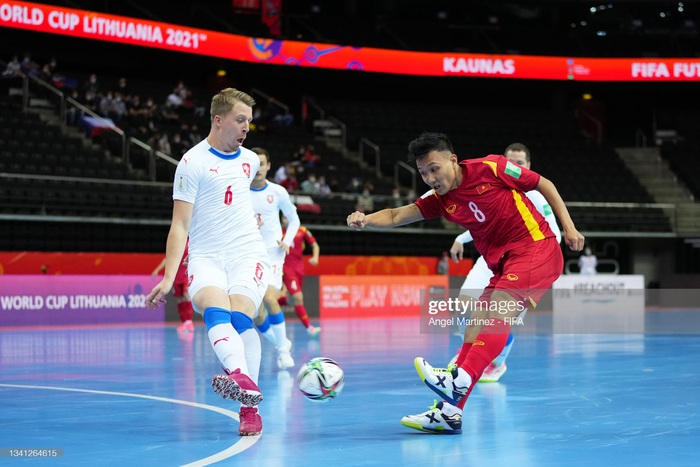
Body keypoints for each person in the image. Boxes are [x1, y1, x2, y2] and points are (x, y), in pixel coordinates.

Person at [346, 132, 584, 435]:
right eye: (423, 173)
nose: (431, 177)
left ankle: (460, 378)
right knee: (474, 326)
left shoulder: (492, 167)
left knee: (497, 317)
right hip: (502, 263)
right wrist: (365, 219)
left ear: (453, 161)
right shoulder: (440, 200)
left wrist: (569, 227)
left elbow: (543, 184)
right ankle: (450, 412)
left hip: (536, 248)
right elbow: (396, 214)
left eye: (435, 168)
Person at [146, 88, 269, 437]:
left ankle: (248, 406)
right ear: (218, 119)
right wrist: (170, 278)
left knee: (241, 317)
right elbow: (180, 224)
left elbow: (236, 200)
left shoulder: (250, 161)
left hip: (247, 252)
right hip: (206, 255)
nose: (246, 127)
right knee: (216, 311)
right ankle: (243, 379)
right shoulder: (192, 163)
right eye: (240, 120)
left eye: (249, 121)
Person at [447, 142, 562, 383]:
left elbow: (554, 233)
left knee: (497, 316)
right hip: (490, 256)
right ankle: (470, 357)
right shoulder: (494, 183)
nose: (513, 166)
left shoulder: (534, 194)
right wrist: (460, 238)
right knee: (463, 308)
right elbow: (480, 220)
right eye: (509, 161)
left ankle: (495, 363)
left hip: (524, 257)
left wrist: (540, 259)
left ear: (528, 166)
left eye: (519, 163)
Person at [249, 147, 301, 370]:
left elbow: (294, 219)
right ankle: (282, 342)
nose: (258, 168)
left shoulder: (278, 192)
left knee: (271, 298)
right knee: (255, 313)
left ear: (268, 166)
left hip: (272, 255)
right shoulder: (239, 192)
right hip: (247, 255)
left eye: (262, 163)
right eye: (255, 163)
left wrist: (287, 241)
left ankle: (282, 352)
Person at [278, 215, 322, 336]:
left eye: (287, 217)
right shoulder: (277, 231)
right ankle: (309, 327)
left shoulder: (302, 230)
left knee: (291, 299)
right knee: (298, 297)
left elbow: (315, 245)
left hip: (300, 269)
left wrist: (315, 257)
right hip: (287, 269)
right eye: (283, 218)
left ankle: (274, 302)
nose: (285, 220)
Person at [151, 241, 194, 337]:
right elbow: (167, 258)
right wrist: (157, 269)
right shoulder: (175, 242)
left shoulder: (190, 242)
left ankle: (189, 321)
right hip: (175, 276)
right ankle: (183, 322)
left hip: (186, 275)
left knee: (186, 296)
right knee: (179, 299)